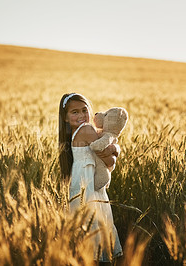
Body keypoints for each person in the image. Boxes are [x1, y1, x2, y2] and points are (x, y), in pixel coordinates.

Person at [58, 92, 123, 263]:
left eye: (84, 110)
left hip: (79, 186)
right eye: (75, 112)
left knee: (83, 232)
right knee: (96, 230)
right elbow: (108, 159)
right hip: (90, 191)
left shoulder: (72, 134)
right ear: (65, 117)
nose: (81, 116)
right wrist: (116, 150)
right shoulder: (87, 130)